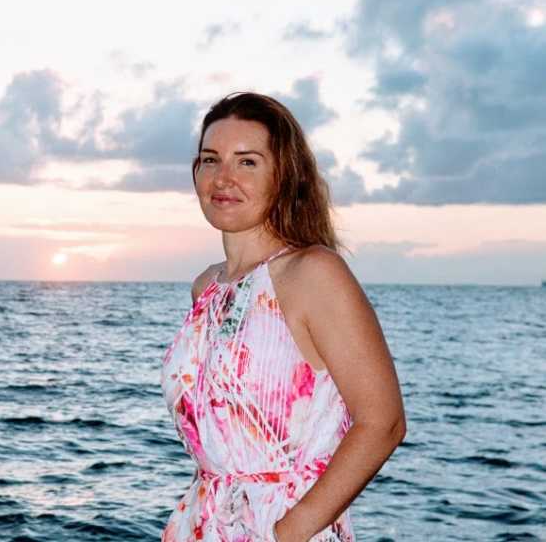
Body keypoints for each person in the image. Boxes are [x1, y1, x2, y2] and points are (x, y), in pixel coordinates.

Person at [160, 92, 406, 541]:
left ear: (284, 176)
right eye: (210, 160)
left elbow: (382, 422)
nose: (223, 178)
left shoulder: (313, 273)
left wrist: (286, 533)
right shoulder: (207, 287)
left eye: (247, 162)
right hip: (204, 523)